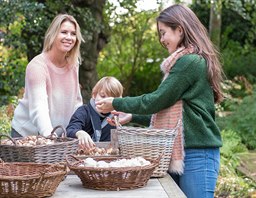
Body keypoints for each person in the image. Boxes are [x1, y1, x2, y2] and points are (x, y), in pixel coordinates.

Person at [95, 4, 224, 198]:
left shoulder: (190, 62)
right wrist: (132, 116)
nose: (161, 40)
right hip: (182, 151)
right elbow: (174, 115)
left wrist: (116, 103)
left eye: (164, 33)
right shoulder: (185, 62)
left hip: (198, 154)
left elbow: (156, 101)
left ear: (179, 29)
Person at [11, 14, 84, 137]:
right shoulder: (37, 66)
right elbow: (39, 108)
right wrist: (50, 136)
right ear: (53, 34)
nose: (69, 37)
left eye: (73, 33)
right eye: (64, 32)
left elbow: (76, 103)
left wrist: (77, 130)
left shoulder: (73, 65)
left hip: (58, 137)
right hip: (28, 135)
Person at [66, 76, 123, 149]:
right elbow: (70, 130)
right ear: (94, 95)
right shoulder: (83, 111)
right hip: (80, 154)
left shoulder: (114, 117)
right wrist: (79, 133)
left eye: (110, 99)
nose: (105, 101)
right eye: (102, 96)